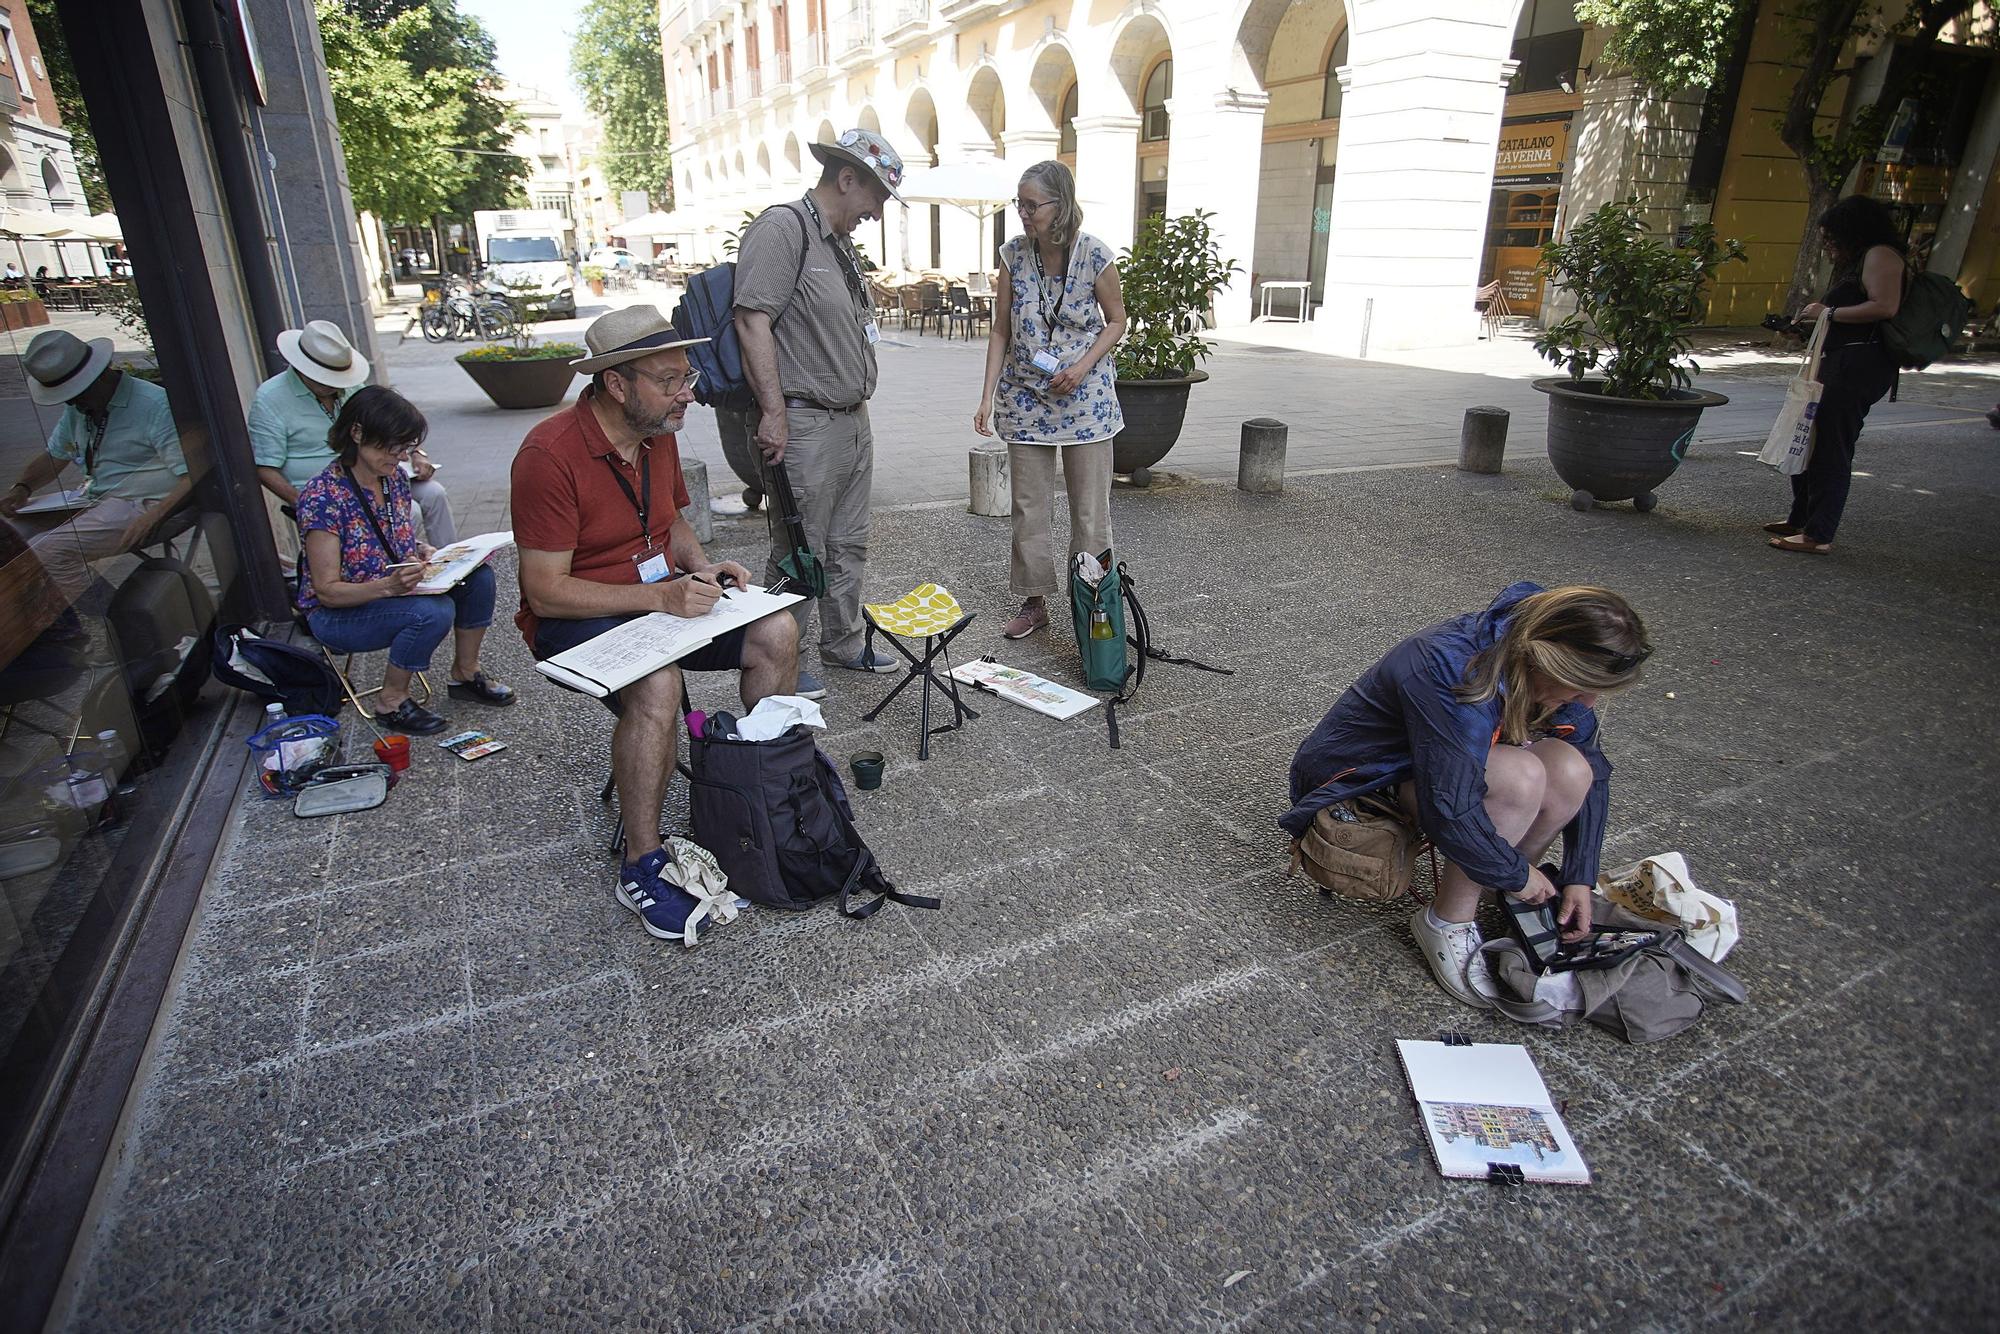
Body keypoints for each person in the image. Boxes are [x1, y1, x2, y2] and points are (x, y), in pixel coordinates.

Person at [512, 305, 799, 943]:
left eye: (687, 378)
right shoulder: (547, 454)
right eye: (669, 382)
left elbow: (670, 522)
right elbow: (545, 592)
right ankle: (641, 861)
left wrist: (701, 567)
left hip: (659, 594)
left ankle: (762, 791)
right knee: (658, 686)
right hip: (576, 617)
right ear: (616, 383)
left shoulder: (657, 433)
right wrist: (664, 600)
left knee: (776, 629)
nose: (687, 395)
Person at [1280, 584, 1650, 1009]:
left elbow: (1595, 773)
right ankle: (1448, 920)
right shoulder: (1451, 668)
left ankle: (1504, 886)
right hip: (1361, 785)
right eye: (1582, 687)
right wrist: (1516, 871)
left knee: (1572, 770)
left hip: (1443, 772)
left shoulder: (1537, 652)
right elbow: (1449, 806)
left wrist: (1581, 875)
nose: (1589, 701)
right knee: (1519, 777)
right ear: (1549, 660)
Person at [734, 128, 907, 699]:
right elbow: (751, 319)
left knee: (848, 541)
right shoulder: (784, 228)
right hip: (805, 422)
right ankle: (780, 660)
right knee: (797, 549)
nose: (877, 214)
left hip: (852, 419)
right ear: (846, 177)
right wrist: (773, 413)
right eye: (876, 198)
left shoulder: (834, 242)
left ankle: (842, 641)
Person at [295, 387, 511, 736]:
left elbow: (390, 538)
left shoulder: (392, 477)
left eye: (405, 447)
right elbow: (328, 593)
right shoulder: (322, 497)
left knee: (479, 578)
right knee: (433, 612)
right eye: (392, 447)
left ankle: (465, 673)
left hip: (390, 588)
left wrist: (423, 551)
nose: (400, 456)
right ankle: (391, 701)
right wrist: (388, 587)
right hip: (338, 614)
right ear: (357, 433)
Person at [972, 160, 1128, 639]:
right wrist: (986, 395)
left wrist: (1082, 366)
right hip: (1025, 400)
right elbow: (1001, 328)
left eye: (1031, 205)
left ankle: (1093, 603)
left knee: (1089, 511)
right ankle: (1035, 601)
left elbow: (1117, 321)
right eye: (1019, 203)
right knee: (1029, 508)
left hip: (1086, 402)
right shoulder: (1013, 255)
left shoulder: (1094, 255)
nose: (1022, 213)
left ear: (1060, 206)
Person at [1, 330, 190, 600]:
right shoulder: (80, 407)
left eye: (77, 392)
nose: (72, 401)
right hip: (94, 499)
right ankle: (53, 621)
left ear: (100, 375)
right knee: (10, 539)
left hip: (144, 502)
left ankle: (113, 615)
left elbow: (193, 475)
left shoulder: (154, 406)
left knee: (49, 551)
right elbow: (56, 455)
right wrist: (22, 487)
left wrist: (156, 515)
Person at [1767, 196, 1905, 555]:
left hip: (1858, 366)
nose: (1828, 247)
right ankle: (1801, 518)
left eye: (1831, 239)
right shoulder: (1857, 261)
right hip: (1838, 360)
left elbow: (1885, 306)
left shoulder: (1880, 254)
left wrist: (1827, 312)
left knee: (1831, 446)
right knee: (1808, 435)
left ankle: (1818, 533)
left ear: (1852, 232)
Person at [249, 320, 455, 556]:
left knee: (434, 493)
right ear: (303, 367)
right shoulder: (271, 398)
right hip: (326, 490)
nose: (334, 385)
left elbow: (390, 423)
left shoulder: (349, 386)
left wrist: (416, 454)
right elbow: (265, 468)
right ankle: (398, 566)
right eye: (325, 377)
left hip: (373, 472)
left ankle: (448, 562)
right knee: (410, 512)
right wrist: (309, 505)